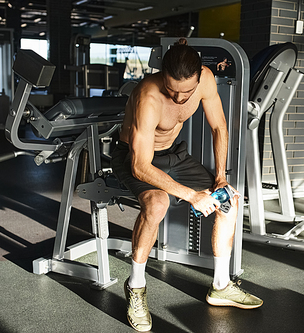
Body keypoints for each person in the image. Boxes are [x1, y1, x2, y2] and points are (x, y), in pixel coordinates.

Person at [111, 38, 263, 332]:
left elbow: (219, 127)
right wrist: (191, 195)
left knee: (229, 199)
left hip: (174, 154)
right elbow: (140, 166)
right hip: (134, 157)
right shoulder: (148, 97)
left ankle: (221, 285)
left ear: (198, 76)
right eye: (172, 90)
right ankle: (136, 287)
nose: (180, 99)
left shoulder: (205, 80)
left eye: (186, 91)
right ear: (162, 76)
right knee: (157, 203)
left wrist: (220, 176)